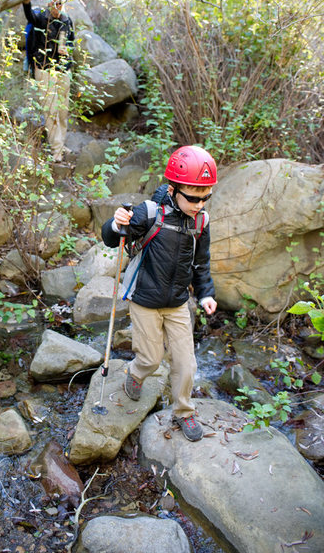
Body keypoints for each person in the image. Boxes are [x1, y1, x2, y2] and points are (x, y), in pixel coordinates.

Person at [101, 146, 218, 441]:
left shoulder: (201, 222)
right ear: (173, 187)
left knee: (186, 363)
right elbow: (111, 238)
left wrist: (205, 294)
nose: (199, 204)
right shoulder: (150, 213)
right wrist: (117, 223)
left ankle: (184, 412)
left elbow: (201, 263)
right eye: (193, 197)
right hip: (145, 300)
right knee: (152, 359)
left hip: (178, 303)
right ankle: (135, 374)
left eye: (206, 197)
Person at [23, 0, 74, 162]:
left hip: (63, 69)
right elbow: (29, 15)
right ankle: (56, 150)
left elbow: (72, 41)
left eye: (61, 3)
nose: (58, 7)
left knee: (62, 111)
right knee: (50, 111)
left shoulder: (67, 20)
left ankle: (61, 143)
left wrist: (68, 51)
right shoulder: (40, 19)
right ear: (49, 4)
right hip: (44, 69)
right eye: (55, 3)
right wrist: (26, 2)